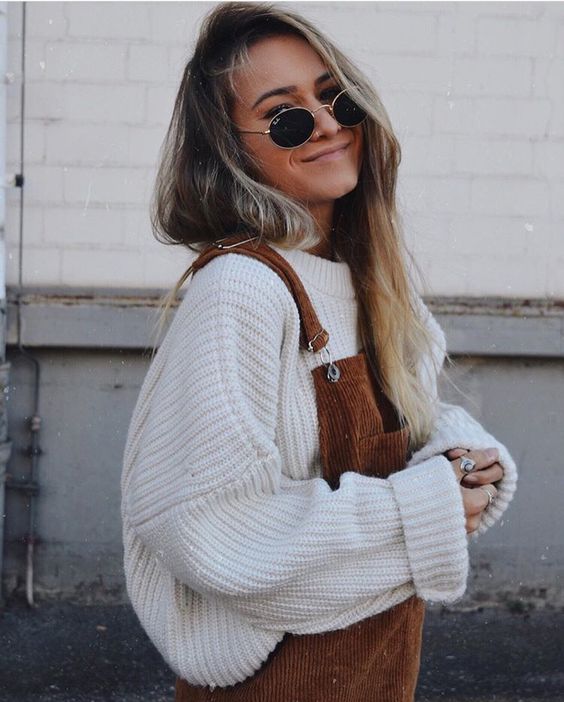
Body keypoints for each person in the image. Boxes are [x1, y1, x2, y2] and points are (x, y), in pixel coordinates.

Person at [120, 3, 518, 701]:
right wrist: (425, 510)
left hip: (380, 672)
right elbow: (211, 528)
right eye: (286, 117)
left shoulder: (366, 277)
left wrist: (463, 460)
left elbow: (416, 416)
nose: (329, 125)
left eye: (337, 97)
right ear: (231, 150)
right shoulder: (242, 290)